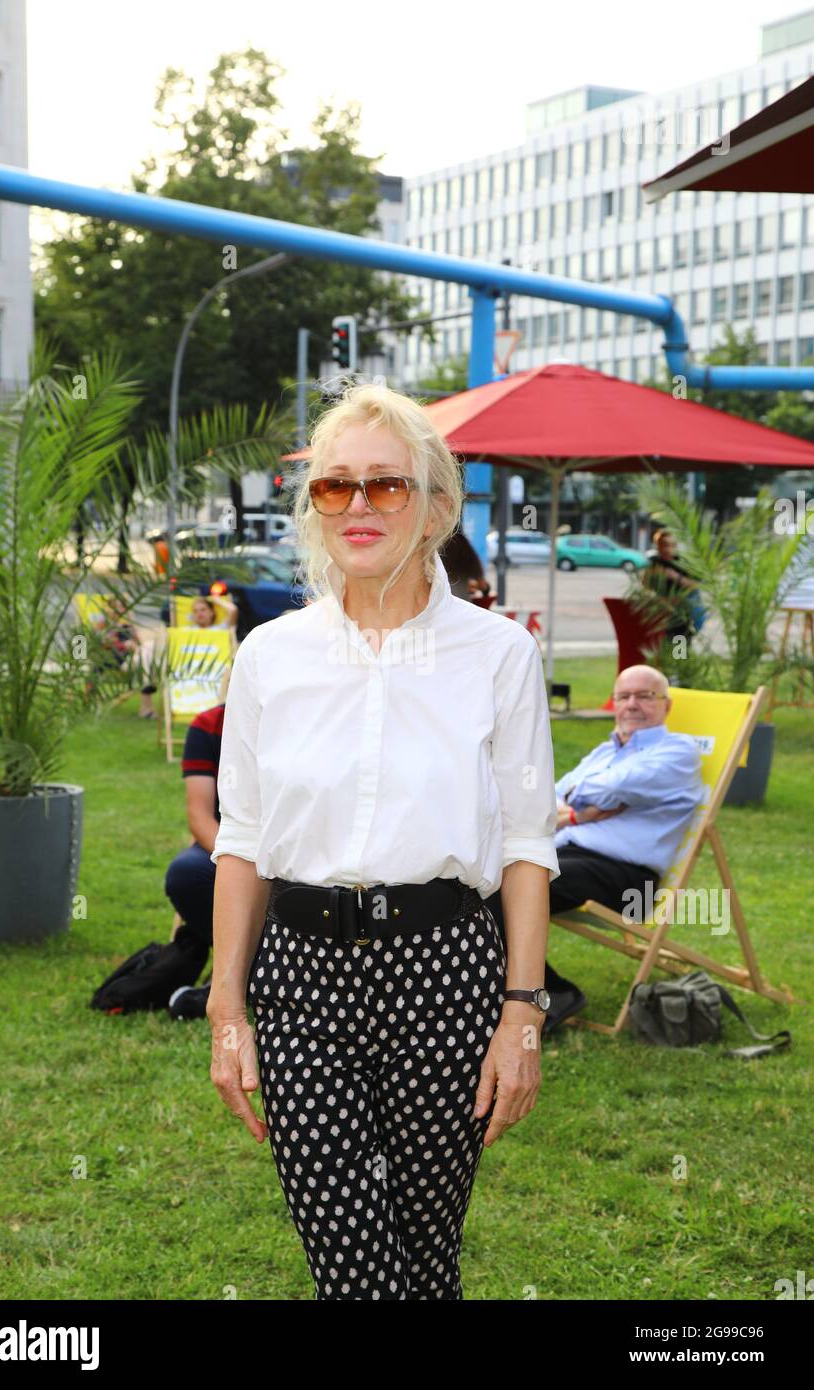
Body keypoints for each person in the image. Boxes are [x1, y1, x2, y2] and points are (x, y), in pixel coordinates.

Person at [207, 383, 559, 1302]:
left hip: (445, 972)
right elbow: (239, 842)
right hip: (301, 977)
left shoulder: (498, 654)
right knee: (352, 1264)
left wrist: (522, 1014)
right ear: (312, 507)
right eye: (334, 488)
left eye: (387, 486)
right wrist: (225, 1006)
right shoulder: (269, 656)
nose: (358, 507)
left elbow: (526, 844)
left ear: (438, 505)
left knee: (426, 1252)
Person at [486, 663, 704, 1030]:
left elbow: (610, 787)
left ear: (666, 706)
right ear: (614, 703)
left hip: (630, 880)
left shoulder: (679, 751)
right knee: (483, 881)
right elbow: (545, 798)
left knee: (507, 893)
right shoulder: (606, 751)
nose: (632, 704)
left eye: (645, 696)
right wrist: (577, 814)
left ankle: (553, 996)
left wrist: (576, 800)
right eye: (624, 696)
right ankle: (515, 994)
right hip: (570, 853)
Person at [164, 668, 232, 1021]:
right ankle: (248, 971)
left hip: (301, 848)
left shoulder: (312, 721)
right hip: (230, 842)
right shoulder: (209, 726)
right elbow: (200, 816)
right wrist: (241, 861)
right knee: (186, 873)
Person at [639, 529, 705, 644]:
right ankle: (674, 657)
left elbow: (696, 586)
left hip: (685, 610)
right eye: (663, 545)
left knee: (680, 635)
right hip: (665, 610)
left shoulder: (684, 563)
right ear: (657, 546)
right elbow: (645, 587)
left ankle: (679, 658)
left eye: (671, 545)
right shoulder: (654, 563)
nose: (667, 549)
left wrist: (675, 576)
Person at [438, 527, 492, 602]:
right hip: (462, 603)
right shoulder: (466, 553)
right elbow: (483, 586)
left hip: (441, 605)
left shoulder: (437, 553)